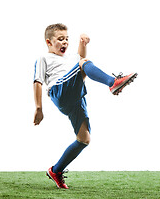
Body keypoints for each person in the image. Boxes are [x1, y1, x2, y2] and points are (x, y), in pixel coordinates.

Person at [33, 23, 137, 189]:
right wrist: (39, 108)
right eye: (60, 39)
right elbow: (37, 82)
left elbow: (80, 59)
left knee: (84, 139)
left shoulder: (69, 58)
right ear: (49, 42)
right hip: (59, 91)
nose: (65, 42)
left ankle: (56, 170)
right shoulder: (43, 59)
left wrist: (82, 44)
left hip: (75, 98)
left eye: (67, 39)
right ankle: (113, 82)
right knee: (84, 63)